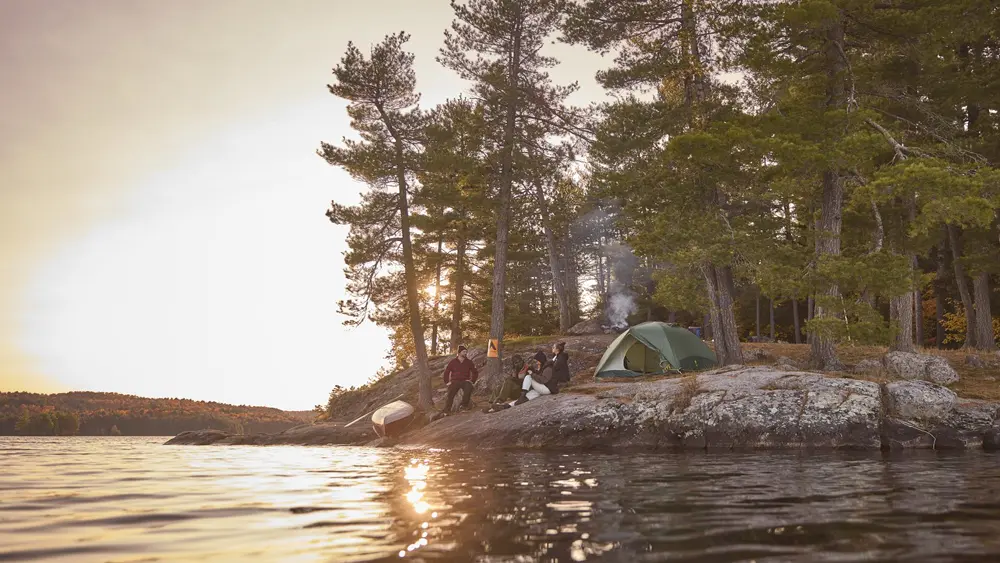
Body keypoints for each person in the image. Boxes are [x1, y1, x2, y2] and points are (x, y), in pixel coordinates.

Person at [442, 345, 478, 412]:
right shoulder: (453, 362)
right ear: (459, 353)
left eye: (466, 352)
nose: (465, 353)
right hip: (455, 381)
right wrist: (447, 382)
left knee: (469, 387)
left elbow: (475, 372)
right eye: (464, 352)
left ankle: (463, 406)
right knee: (451, 392)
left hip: (465, 381)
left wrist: (472, 381)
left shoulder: (469, 362)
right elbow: (446, 372)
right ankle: (447, 410)